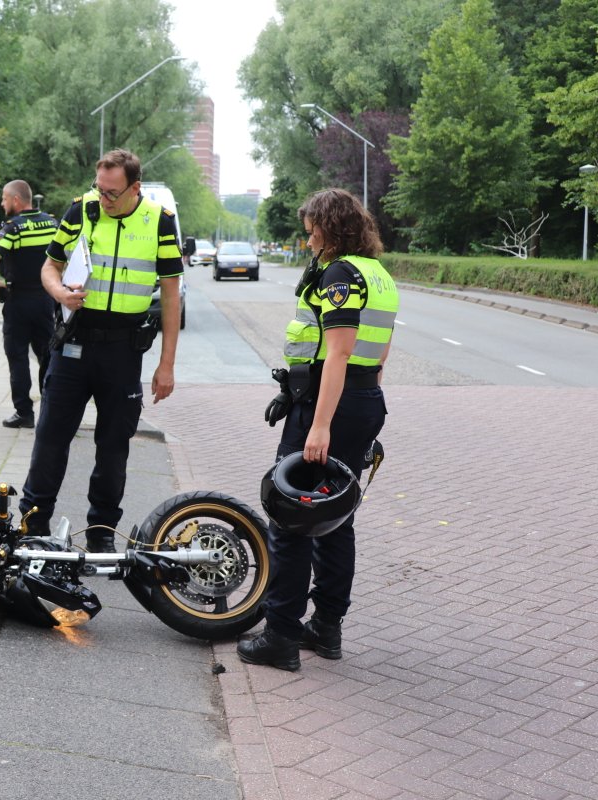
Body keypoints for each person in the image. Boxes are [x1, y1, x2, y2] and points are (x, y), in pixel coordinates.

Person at [237, 188, 399, 671]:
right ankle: (326, 629)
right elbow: (380, 353)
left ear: (331, 227)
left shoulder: (341, 275)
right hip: (364, 399)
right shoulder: (379, 274)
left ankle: (281, 637)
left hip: (330, 404)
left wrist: (322, 424)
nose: (308, 239)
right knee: (335, 518)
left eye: (312, 230)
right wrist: (362, 409)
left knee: (291, 518)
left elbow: (340, 352)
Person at [18, 149, 182, 552]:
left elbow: (171, 294)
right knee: (51, 437)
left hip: (124, 352)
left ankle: (101, 533)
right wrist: (59, 293)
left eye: (112, 193)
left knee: (113, 447)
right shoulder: (80, 211)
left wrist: (167, 365)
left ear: (135, 187)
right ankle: (33, 526)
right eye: (100, 189)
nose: (104, 199)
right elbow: (49, 266)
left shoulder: (159, 221)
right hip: (74, 343)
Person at [0, 180, 57, 429]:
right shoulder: (52, 222)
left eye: (4, 199)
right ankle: (51, 410)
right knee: (47, 356)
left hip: (18, 302)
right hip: (46, 299)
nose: (2, 204)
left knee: (18, 358)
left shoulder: (12, 228)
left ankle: (24, 413)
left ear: (16, 200)